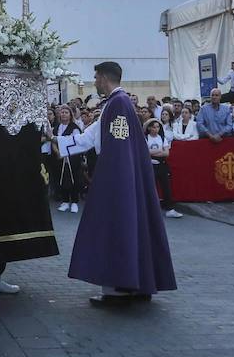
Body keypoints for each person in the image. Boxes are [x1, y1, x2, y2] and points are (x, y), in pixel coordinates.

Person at [64, 61, 177, 304]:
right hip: (121, 177)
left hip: (117, 180)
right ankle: (135, 284)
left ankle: (120, 287)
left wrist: (110, 178)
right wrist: (56, 142)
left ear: (104, 77)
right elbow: (89, 138)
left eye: (95, 77)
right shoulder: (114, 104)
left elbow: (118, 145)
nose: (94, 82)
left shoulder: (118, 103)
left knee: (117, 228)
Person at [49, 105, 85, 212]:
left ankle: (74, 202)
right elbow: (53, 141)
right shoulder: (57, 128)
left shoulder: (74, 128)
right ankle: (65, 201)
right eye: (62, 112)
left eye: (66, 112)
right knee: (61, 178)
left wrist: (67, 153)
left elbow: (76, 142)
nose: (64, 114)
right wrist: (58, 152)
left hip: (72, 157)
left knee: (74, 178)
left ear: (70, 115)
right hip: (60, 157)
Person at [143, 118, 181, 218]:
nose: (156, 129)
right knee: (151, 187)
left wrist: (154, 152)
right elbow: (146, 152)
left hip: (162, 165)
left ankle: (170, 209)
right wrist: (159, 150)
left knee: (166, 187)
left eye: (158, 127)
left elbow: (166, 153)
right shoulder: (146, 138)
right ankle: (151, 209)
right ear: (149, 128)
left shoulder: (162, 138)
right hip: (150, 165)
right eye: (154, 127)